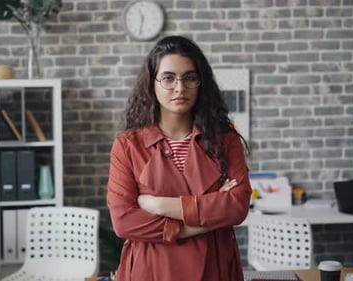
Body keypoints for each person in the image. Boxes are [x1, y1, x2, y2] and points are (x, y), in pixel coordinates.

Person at [106, 35, 252, 281]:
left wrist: (159, 205)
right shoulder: (128, 145)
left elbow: (237, 207)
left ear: (201, 82)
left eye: (190, 77)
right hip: (151, 270)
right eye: (168, 78)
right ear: (152, 83)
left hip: (213, 270)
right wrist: (206, 217)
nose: (180, 88)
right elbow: (124, 222)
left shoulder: (226, 140)